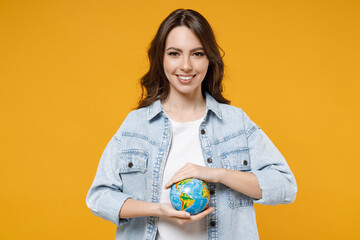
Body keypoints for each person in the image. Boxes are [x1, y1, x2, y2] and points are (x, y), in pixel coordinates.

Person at [86, 8, 297, 240]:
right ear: (161, 58)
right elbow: (99, 197)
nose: (186, 66)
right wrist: (158, 210)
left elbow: (285, 186)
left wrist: (216, 174)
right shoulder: (136, 126)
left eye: (197, 54)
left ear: (209, 59)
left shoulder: (236, 123)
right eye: (174, 53)